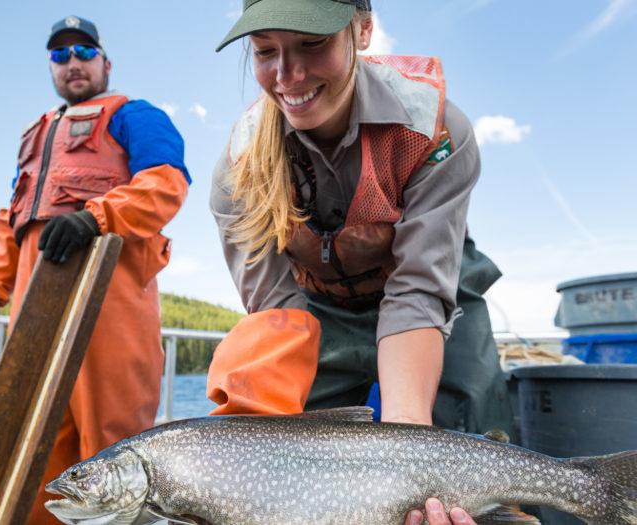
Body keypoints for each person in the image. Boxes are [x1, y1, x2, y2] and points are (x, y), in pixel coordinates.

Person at [208, 1, 514, 524]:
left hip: (433, 296)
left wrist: (408, 446)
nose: (288, 75)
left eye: (312, 43)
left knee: (473, 438)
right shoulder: (238, 169)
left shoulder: (436, 132)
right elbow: (275, 314)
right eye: (265, 51)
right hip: (316, 313)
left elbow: (418, 291)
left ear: (363, 29)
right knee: (297, 467)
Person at [0, 15, 190, 525]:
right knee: (38, 444)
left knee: (114, 447)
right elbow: (12, 219)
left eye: (84, 53)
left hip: (109, 303)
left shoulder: (135, 114)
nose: (72, 63)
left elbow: (167, 182)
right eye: (60, 56)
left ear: (105, 63)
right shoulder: (36, 135)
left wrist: (96, 217)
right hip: (34, 310)